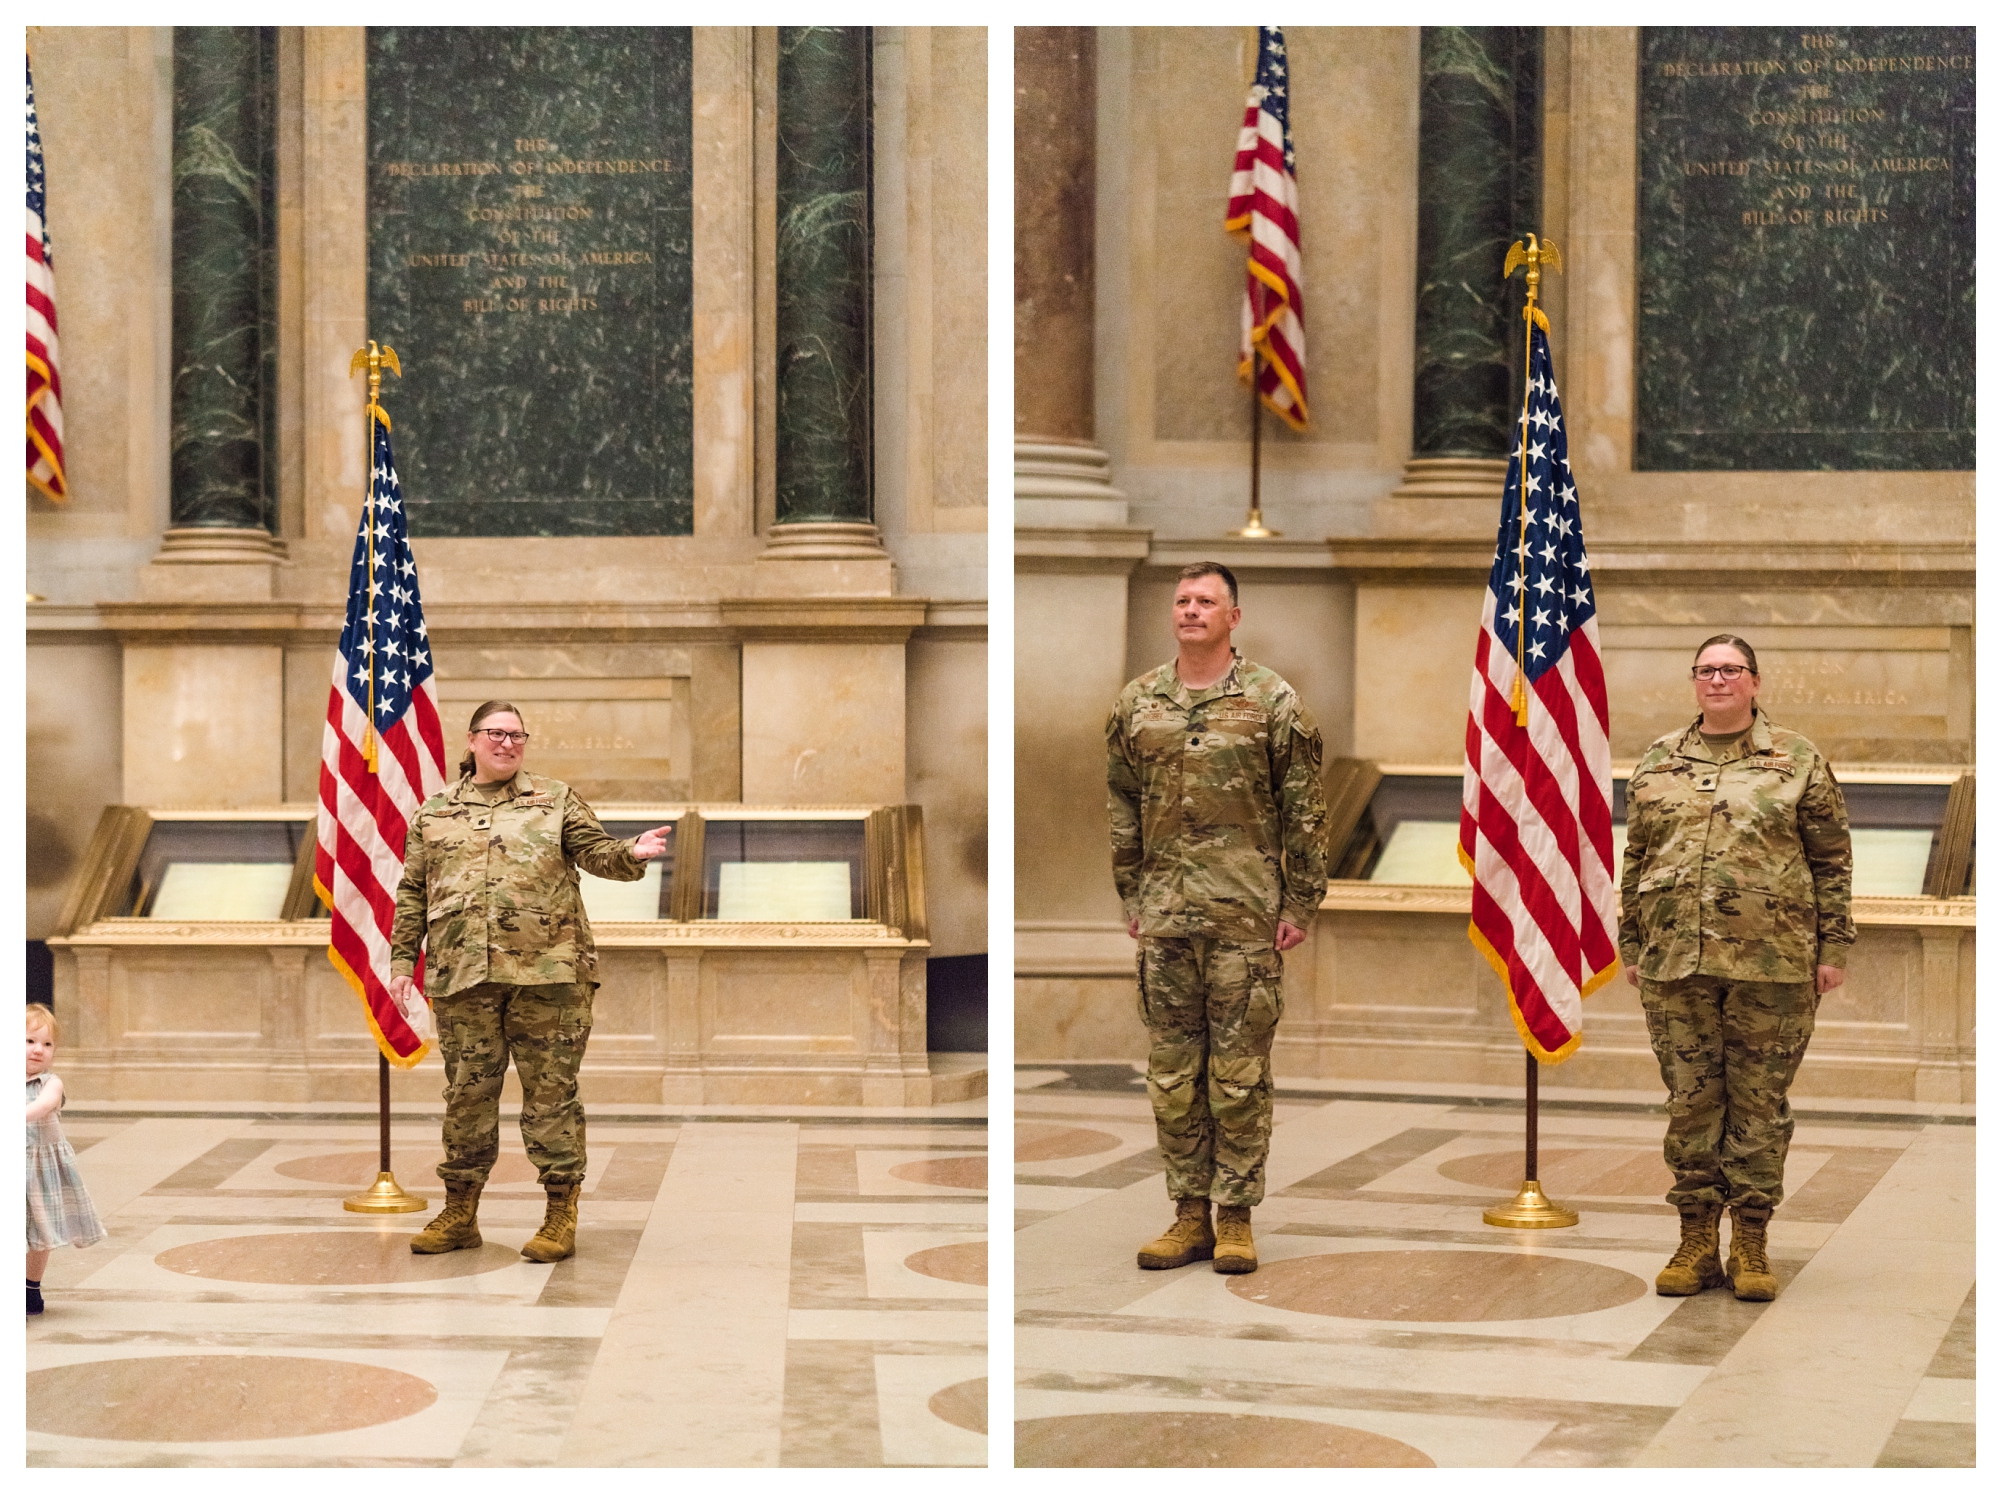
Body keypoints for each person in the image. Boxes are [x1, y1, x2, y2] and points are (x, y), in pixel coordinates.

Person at [390, 700, 673, 1263]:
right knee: (467, 1096)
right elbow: (414, 891)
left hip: (550, 978)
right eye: (496, 733)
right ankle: (459, 1213)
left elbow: (596, 852)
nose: (507, 743)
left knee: (551, 1098)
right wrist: (403, 962)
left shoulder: (555, 799)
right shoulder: (435, 811)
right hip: (463, 977)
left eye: (517, 735)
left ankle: (558, 1215)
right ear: (472, 740)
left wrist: (631, 854)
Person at [1107, 561, 1328, 1275]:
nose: (1191, 610)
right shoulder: (1138, 703)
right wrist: (1133, 895)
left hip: (1246, 919)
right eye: (1182, 600)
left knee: (1237, 1075)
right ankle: (1187, 1215)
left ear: (1235, 616)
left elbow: (1305, 808)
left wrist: (1300, 901)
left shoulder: (1272, 701)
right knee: (1172, 1075)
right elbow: (1121, 804)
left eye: (1206, 601)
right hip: (1167, 919)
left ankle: (1235, 1217)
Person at [1620, 634, 1853, 1303]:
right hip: (1676, 961)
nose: (1717, 680)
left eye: (1730, 670)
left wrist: (1832, 948)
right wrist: (1632, 942)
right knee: (1691, 1103)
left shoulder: (1796, 759)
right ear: (1695, 681)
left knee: (1756, 1105)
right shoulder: (1661, 758)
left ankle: (1751, 1239)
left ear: (1754, 681)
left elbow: (1831, 859)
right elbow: (1638, 857)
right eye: (1706, 670)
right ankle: (1696, 1241)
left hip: (1771, 963)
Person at [27, 1003, 105, 1316]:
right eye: (29, 1041)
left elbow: (44, 1106)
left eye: (47, 1044)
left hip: (40, 1169)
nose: (38, 1050)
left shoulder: (51, 1083)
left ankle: (31, 1287)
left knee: (39, 1232)